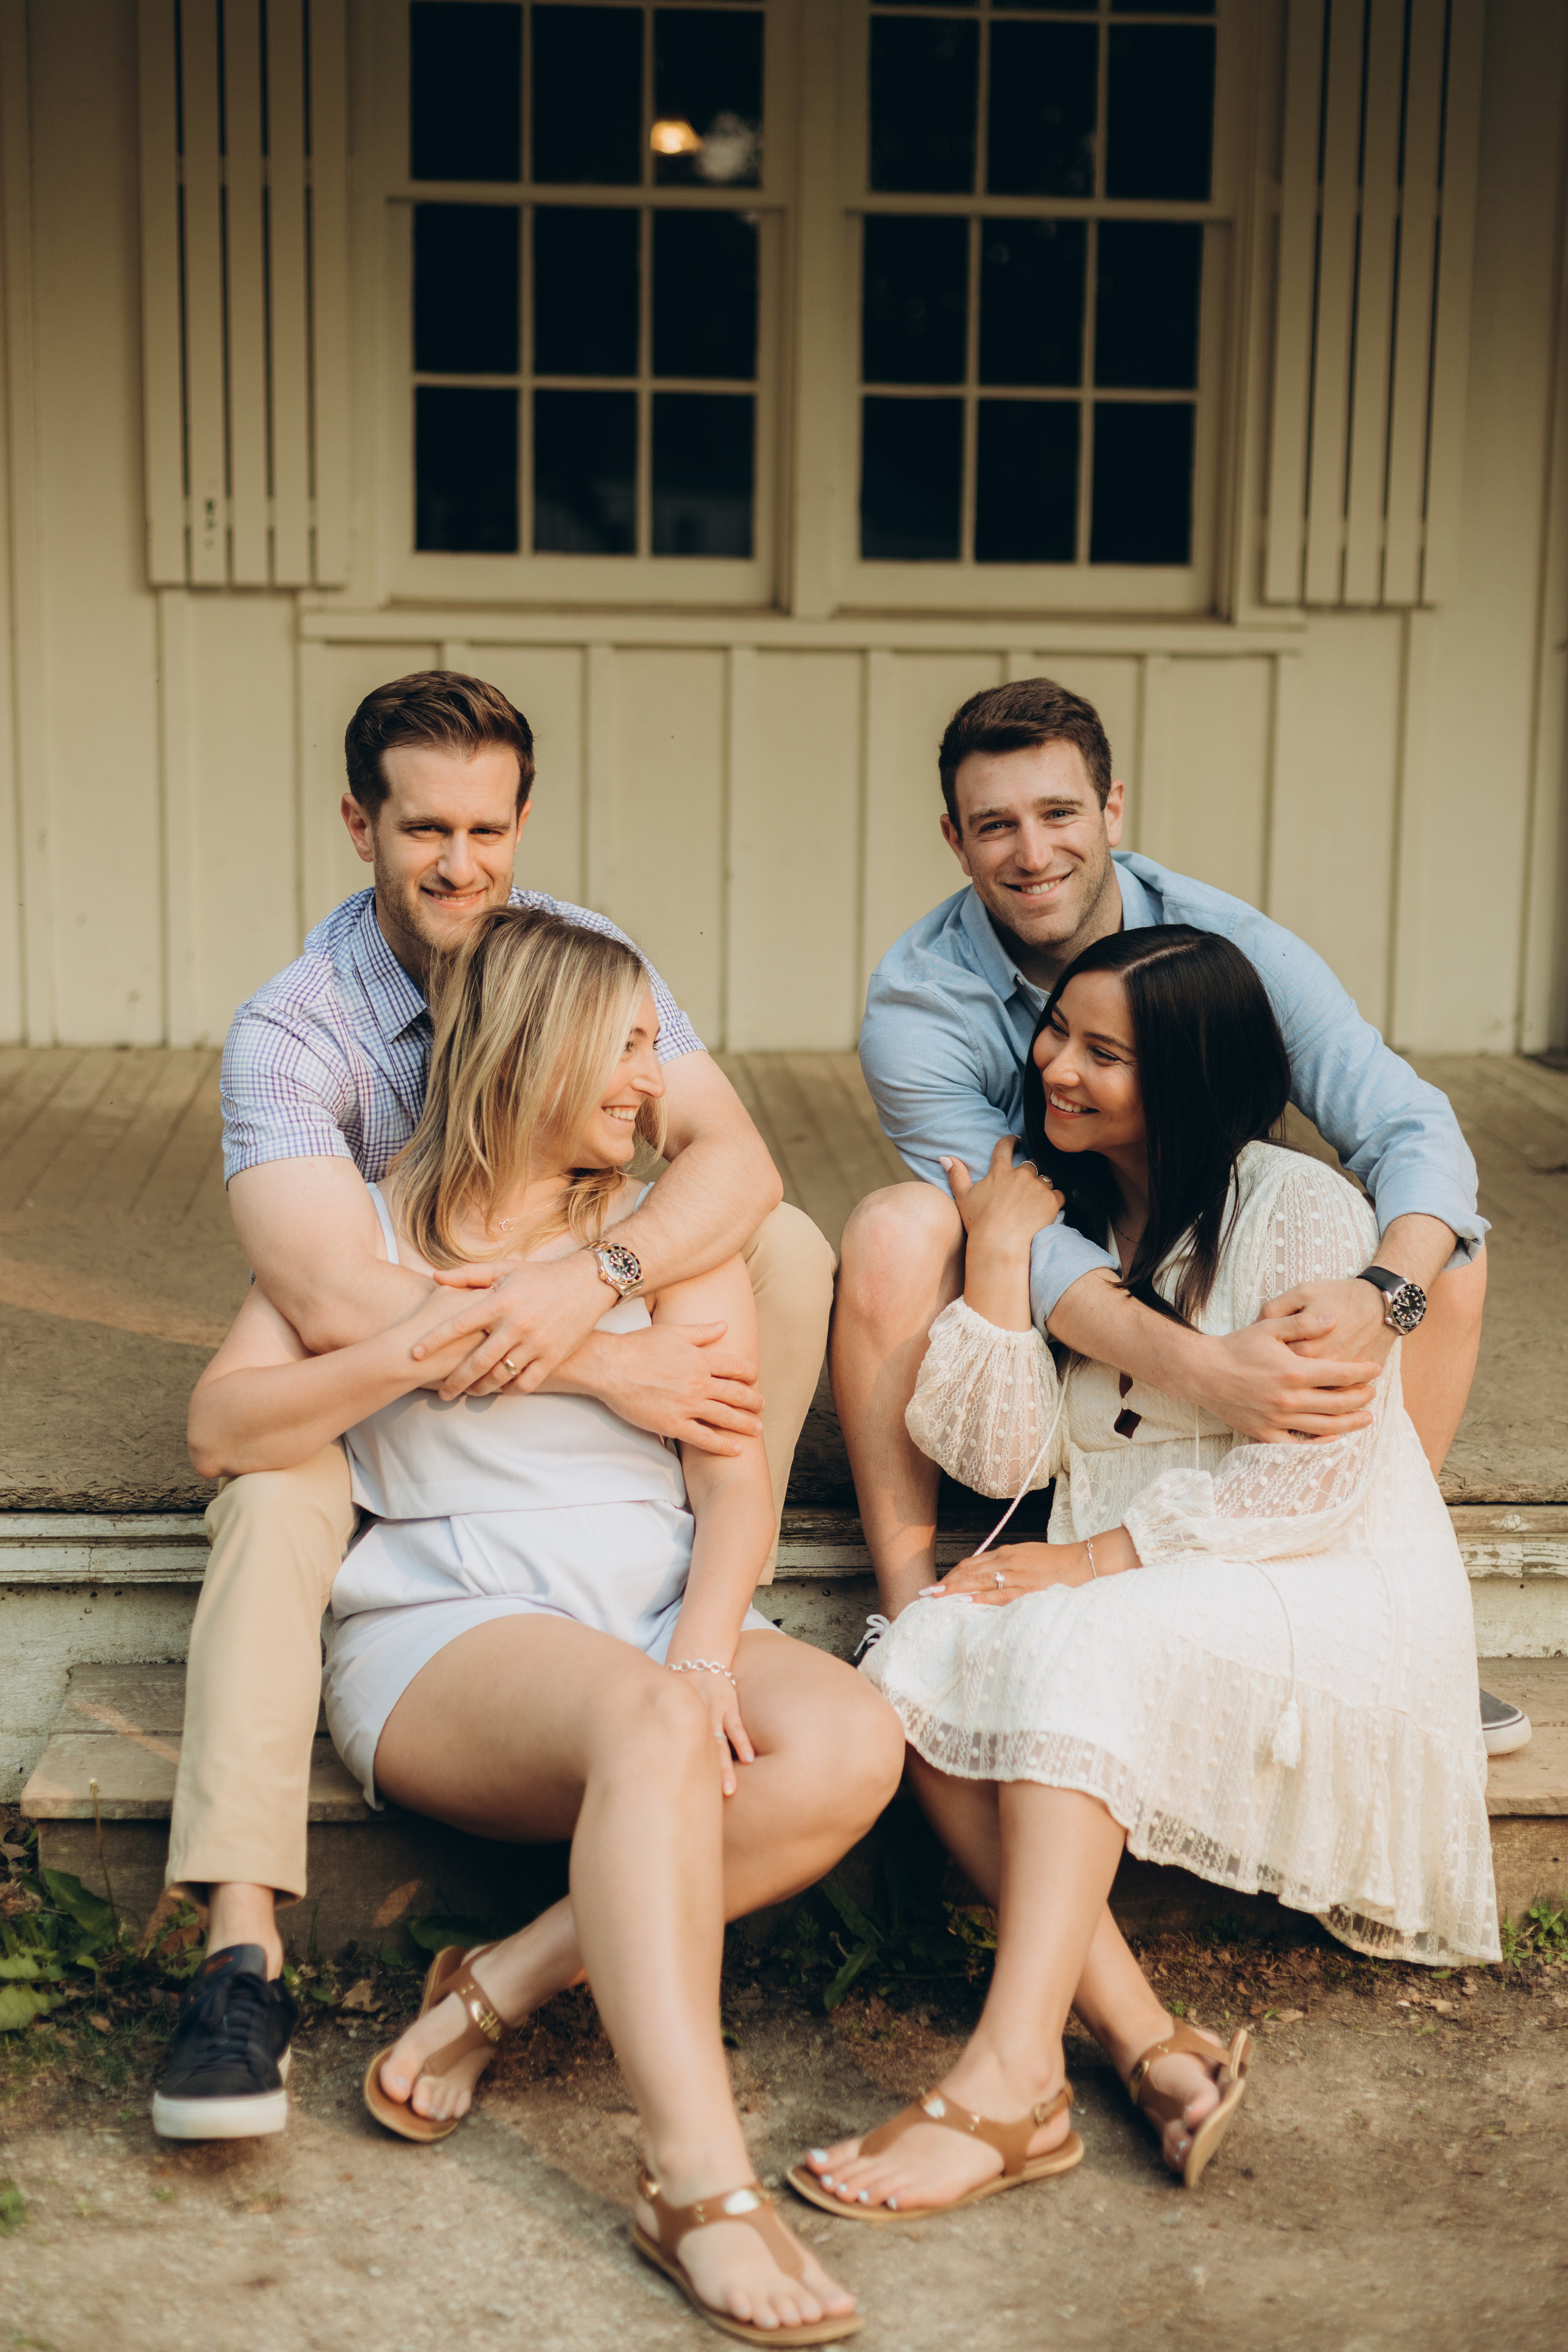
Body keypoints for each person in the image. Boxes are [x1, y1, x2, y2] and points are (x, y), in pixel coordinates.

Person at [183, 908, 898, 2340]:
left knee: (849, 1742)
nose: (656, 1081)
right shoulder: (367, 1236)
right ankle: (696, 2183)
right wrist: (415, 1345)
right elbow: (220, 1426)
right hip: (451, 1628)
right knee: (645, 1721)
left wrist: (704, 1648)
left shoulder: (654, 1242)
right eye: (627, 1049)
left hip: (642, 1612)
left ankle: (499, 1985)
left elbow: (735, 1486)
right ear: (532, 1051)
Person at [153, 671, 837, 2142]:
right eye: (423, 831)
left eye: (487, 827)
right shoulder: (295, 1031)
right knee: (271, 1497)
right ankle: (239, 1947)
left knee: (778, 1246)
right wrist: (606, 1359)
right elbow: (342, 1300)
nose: (459, 863)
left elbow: (734, 1160)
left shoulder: (583, 963)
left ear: (521, 821)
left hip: (562, 1284)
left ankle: (722, 1549)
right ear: (360, 825)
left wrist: (606, 1279)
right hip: (392, 1350)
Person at [792, 926, 1498, 2224]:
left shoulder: (1297, 1211)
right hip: (1150, 1568)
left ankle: (1005, 2080)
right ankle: (1136, 2042)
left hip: (1317, 1570)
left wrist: (1092, 1558)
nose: (1055, 1066)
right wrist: (999, 1261)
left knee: (1080, 1636)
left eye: (1102, 1053)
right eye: (1056, 1030)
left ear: (1183, 1071)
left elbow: (1315, 1482)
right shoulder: (1056, 1203)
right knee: (919, 1653)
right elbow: (1002, 1458)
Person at [835, 676, 1526, 1754]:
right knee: (895, 1228)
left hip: (1215, 1256)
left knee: (1453, 1261)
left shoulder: (1227, 942)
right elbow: (1024, 1238)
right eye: (995, 826)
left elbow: (1407, 1123)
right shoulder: (921, 1005)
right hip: (1054, 1288)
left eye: (1059, 814)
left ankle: (1378, 1602)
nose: (1032, 852)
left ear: (1112, 811)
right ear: (956, 842)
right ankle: (909, 1614)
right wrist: (1209, 1374)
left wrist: (1380, 1289)